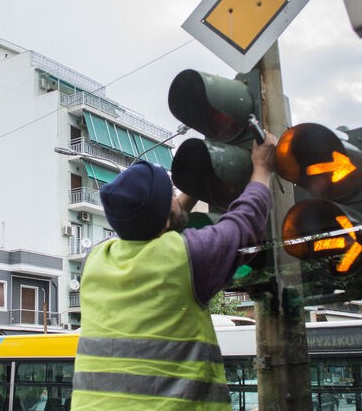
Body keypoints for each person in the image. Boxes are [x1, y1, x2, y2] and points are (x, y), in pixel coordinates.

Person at [71, 131, 278, 410]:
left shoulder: (94, 259)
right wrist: (263, 167)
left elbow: (155, 221)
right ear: (165, 220)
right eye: (170, 194)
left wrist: (193, 188)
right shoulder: (187, 258)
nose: (175, 197)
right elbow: (245, 224)